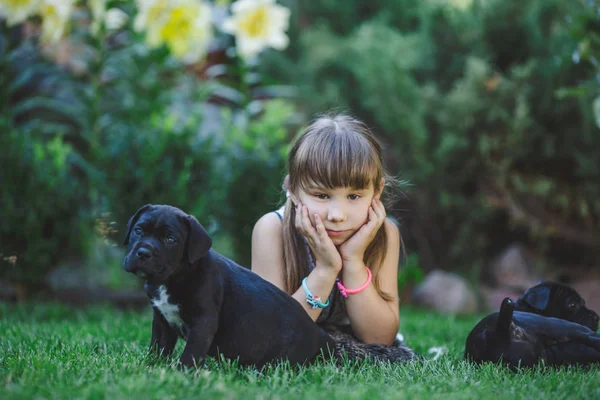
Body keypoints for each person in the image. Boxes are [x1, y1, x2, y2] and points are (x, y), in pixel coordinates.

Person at [251, 113, 417, 363]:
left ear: (377, 191)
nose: (337, 215)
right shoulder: (271, 230)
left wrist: (353, 261)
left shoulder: (383, 234)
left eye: (354, 196)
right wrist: (326, 270)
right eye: (321, 195)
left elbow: (380, 338)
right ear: (293, 190)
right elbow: (274, 336)